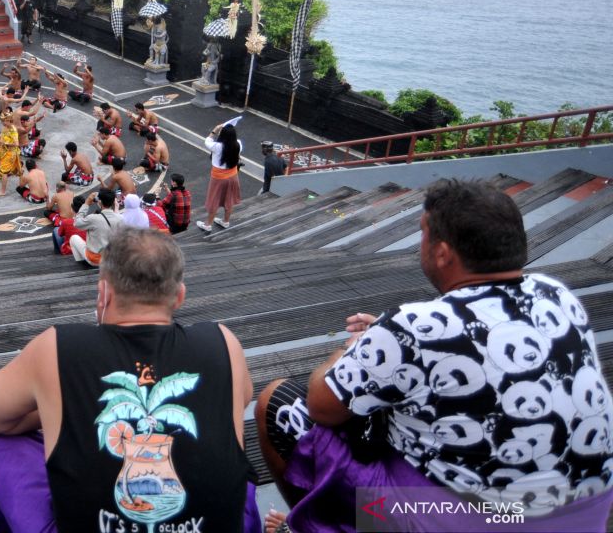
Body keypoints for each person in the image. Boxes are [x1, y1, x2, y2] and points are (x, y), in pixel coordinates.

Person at [256, 179, 613, 532]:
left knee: (278, 403)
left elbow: (322, 406)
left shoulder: (409, 329)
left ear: (443, 253)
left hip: (466, 523)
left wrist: (352, 349)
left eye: (423, 234)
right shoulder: (555, 294)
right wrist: (385, 338)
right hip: (584, 514)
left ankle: (309, 524)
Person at [0, 227, 258, 533]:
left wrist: (65, 408)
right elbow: (241, 399)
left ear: (104, 292)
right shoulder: (223, 341)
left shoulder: (56, 346)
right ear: (180, 296)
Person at [197, 122, 241, 231]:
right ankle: (226, 221)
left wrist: (215, 130)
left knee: (214, 200)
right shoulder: (238, 144)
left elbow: (207, 141)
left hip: (218, 178)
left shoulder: (217, 147)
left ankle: (208, 225)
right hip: (233, 176)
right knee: (229, 199)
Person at [70, 188, 124, 268]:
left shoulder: (93, 218)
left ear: (100, 202)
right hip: (112, 258)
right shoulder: (121, 218)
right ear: (113, 202)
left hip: (95, 260)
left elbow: (77, 223)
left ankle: (83, 266)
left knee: (73, 238)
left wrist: (86, 203)